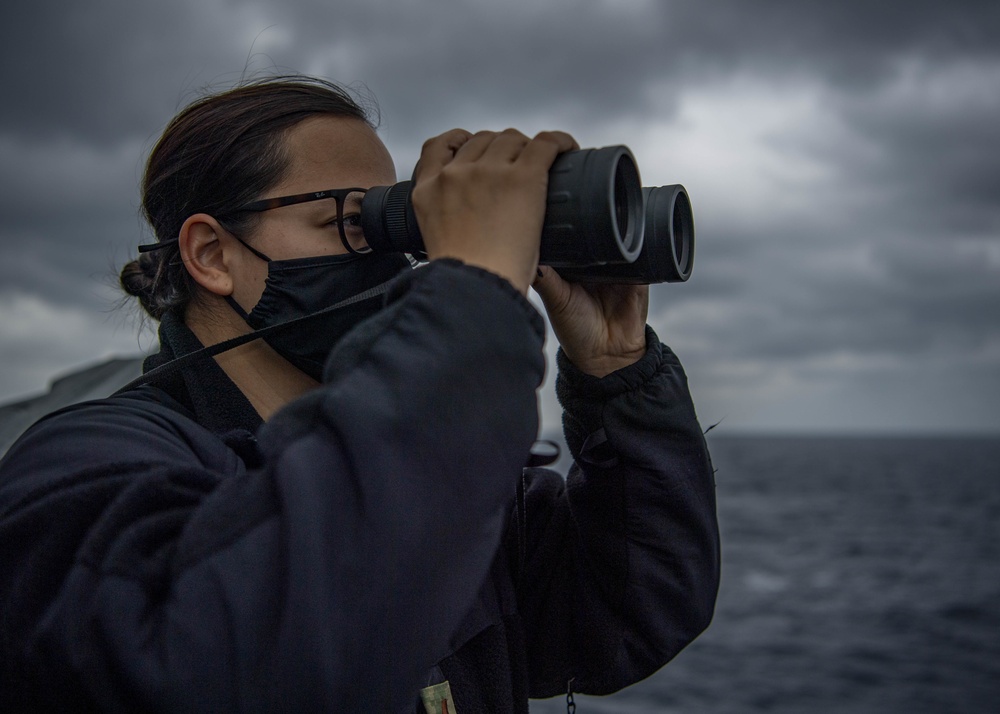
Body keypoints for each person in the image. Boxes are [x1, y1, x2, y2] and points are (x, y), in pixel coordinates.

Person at [0, 76, 720, 713]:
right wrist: (473, 291)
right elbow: (223, 667)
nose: (390, 252)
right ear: (213, 255)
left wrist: (616, 373)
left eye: (389, 219)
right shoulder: (86, 467)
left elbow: (628, 613)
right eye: (349, 220)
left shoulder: (436, 483)